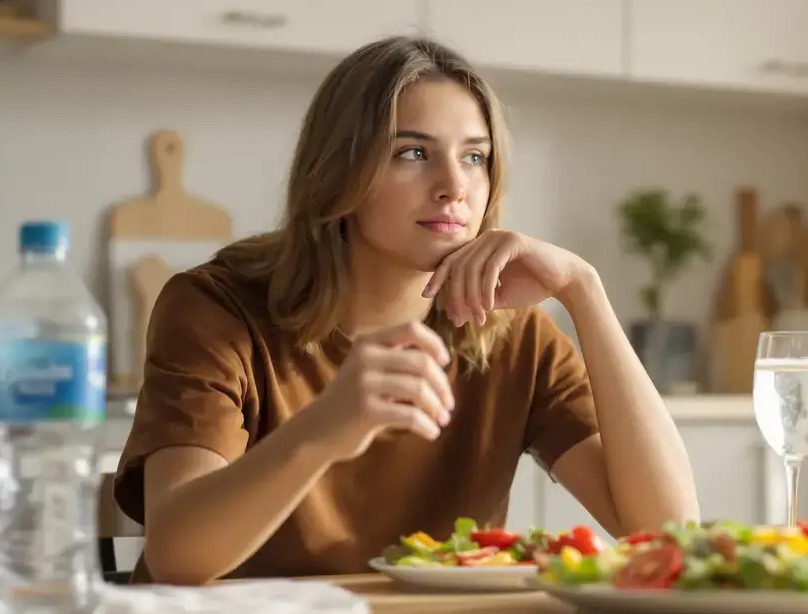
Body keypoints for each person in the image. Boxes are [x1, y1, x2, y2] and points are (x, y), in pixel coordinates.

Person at [113, 35, 699, 586]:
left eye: (474, 157)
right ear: (339, 172)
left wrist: (584, 291)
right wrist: (326, 428)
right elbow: (176, 557)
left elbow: (668, 535)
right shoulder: (217, 308)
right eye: (413, 152)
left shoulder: (515, 335)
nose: (454, 187)